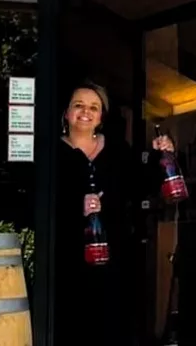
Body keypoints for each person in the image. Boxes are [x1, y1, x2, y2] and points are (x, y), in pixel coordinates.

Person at [54, 80, 174, 345]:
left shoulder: (118, 150)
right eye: (78, 105)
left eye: (93, 107)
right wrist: (77, 204)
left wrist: (160, 156)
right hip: (68, 262)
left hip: (115, 259)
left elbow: (141, 185)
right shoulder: (53, 153)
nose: (86, 112)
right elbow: (42, 201)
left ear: (101, 117)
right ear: (66, 113)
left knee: (112, 327)